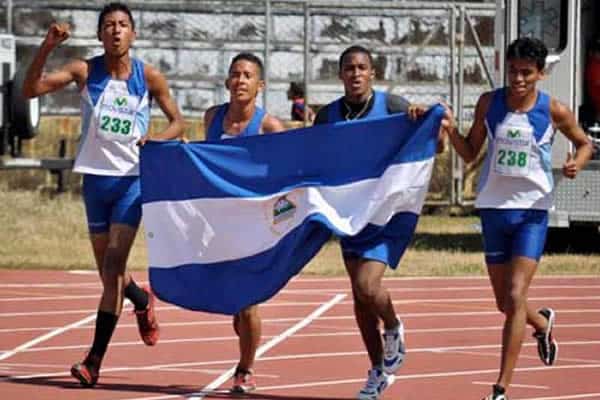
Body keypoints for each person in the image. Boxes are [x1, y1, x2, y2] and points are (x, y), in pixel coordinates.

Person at [22, 2, 185, 387]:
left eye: (123, 25)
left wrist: (156, 138)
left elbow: (177, 122)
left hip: (132, 181)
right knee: (108, 276)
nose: (115, 30)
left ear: (134, 34)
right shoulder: (85, 70)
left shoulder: (149, 76)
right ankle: (141, 301)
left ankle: (93, 361)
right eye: (109, 25)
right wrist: (46, 46)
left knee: (113, 267)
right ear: (99, 35)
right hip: (95, 182)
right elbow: (31, 89)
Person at [443, 37, 593, 400]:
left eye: (526, 72)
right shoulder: (489, 103)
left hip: (532, 211)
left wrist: (577, 162)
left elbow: (584, 142)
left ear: (541, 74)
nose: (518, 79)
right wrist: (449, 129)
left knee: (514, 295)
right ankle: (541, 323)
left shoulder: (554, 109)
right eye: (513, 71)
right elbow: (469, 153)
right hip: (494, 208)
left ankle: (500, 389)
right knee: (505, 304)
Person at [313, 45, 441, 400]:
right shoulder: (327, 117)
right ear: (340, 75)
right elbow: (314, 159)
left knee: (369, 287)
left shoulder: (396, 108)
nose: (355, 74)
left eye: (362, 68)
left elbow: (435, 145)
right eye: (349, 68)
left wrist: (426, 123)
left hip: (385, 214)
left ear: (372, 74)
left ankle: (395, 326)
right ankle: (377, 371)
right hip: (351, 216)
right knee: (359, 299)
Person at [203, 52, 285, 393]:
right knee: (235, 305)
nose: (240, 81)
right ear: (226, 82)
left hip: (254, 225)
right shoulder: (211, 118)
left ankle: (244, 369)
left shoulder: (269, 127)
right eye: (235, 74)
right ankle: (245, 339)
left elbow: (285, 175)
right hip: (217, 223)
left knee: (248, 301)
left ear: (260, 85)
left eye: (247, 75)